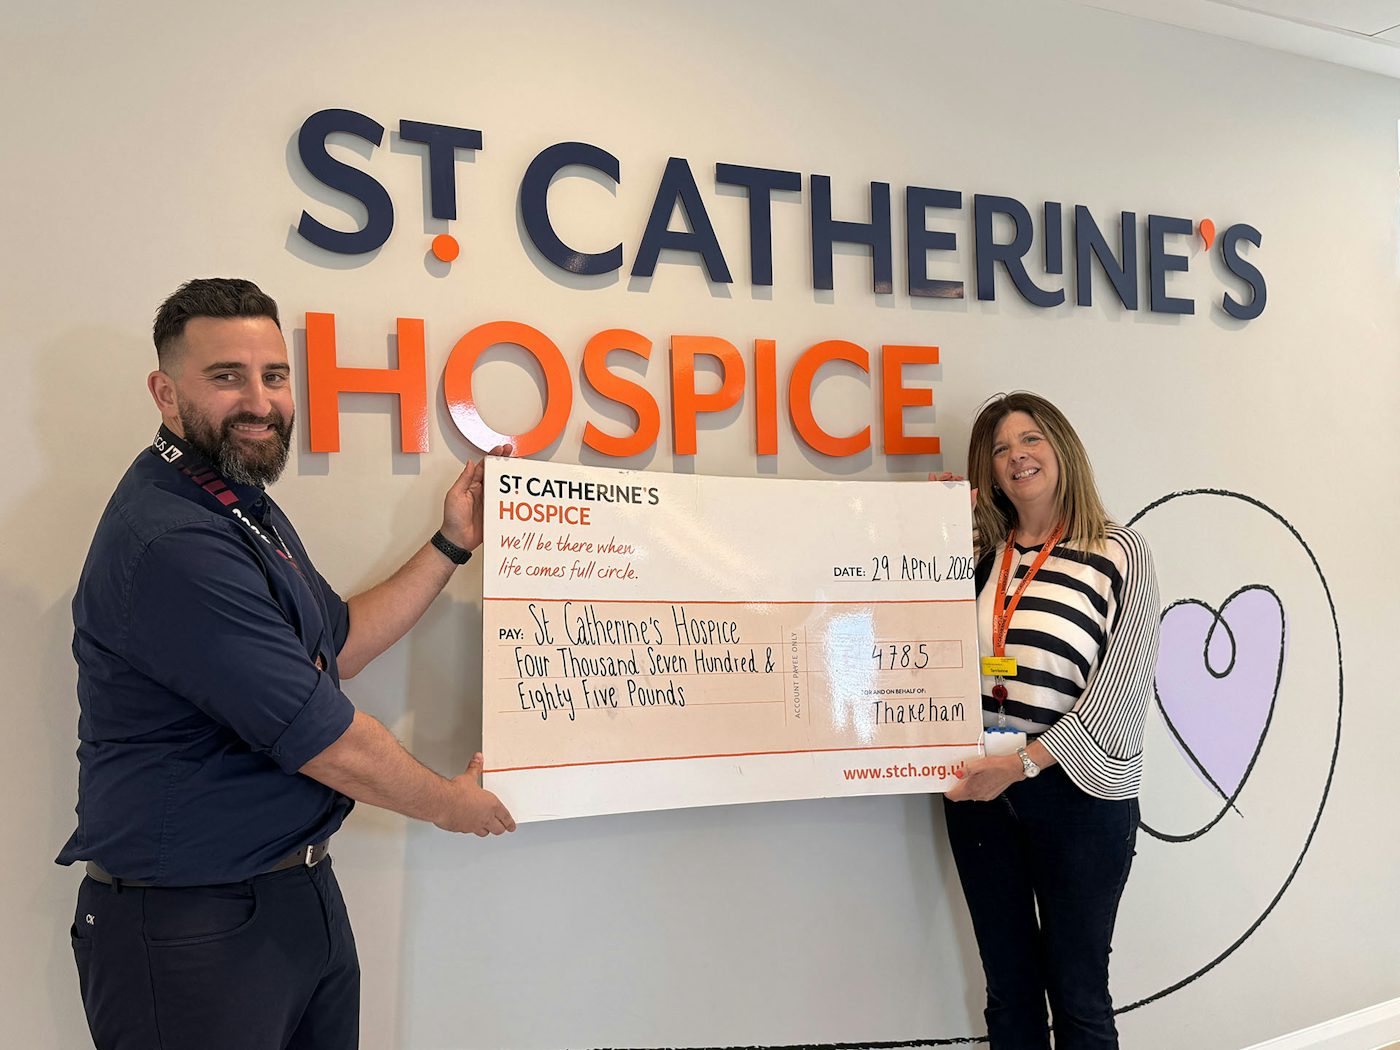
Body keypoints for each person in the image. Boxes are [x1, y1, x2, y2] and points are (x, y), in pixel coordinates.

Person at [56, 277, 516, 1050]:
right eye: (226, 376)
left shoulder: (231, 500)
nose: (260, 402)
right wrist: (451, 806)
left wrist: (452, 543)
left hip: (292, 899)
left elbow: (333, 646)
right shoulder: (171, 541)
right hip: (191, 931)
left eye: (273, 375)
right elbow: (327, 737)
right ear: (165, 393)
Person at [938, 392, 1159, 1049]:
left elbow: (1119, 701)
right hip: (981, 793)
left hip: (1078, 796)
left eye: (1030, 439)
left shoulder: (1120, 552)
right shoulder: (983, 557)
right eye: (1001, 448)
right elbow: (924, 646)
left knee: (1079, 993)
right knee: (1008, 993)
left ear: (1061, 447)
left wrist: (1022, 764)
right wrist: (927, 528)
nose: (1017, 456)